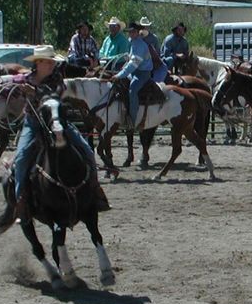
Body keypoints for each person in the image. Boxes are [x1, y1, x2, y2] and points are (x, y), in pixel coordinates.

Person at [10, 45, 110, 219]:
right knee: (20, 158)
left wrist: (35, 91)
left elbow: (54, 96)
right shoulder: (26, 78)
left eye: (52, 62)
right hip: (33, 124)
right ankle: (21, 202)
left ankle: (95, 191)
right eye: (48, 62)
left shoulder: (56, 78)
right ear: (38, 63)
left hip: (58, 122)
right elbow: (6, 83)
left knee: (86, 150)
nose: (51, 65)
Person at [111, 22, 153, 126]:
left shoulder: (140, 45)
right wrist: (124, 66)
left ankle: (132, 120)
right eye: (129, 32)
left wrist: (119, 75)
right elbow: (131, 59)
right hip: (136, 71)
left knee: (133, 89)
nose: (131, 34)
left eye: (133, 32)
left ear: (138, 32)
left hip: (143, 73)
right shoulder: (133, 42)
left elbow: (134, 64)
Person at [139, 16, 167, 82]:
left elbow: (158, 53)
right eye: (142, 26)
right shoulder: (135, 38)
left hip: (152, 62)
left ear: (148, 27)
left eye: (146, 26)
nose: (144, 28)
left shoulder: (154, 38)